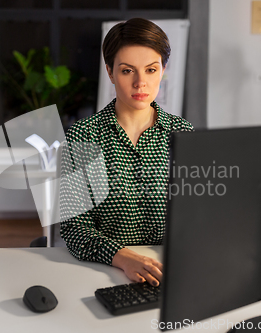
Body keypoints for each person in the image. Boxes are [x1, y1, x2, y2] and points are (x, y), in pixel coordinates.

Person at [59, 18, 193, 287]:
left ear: (163, 70)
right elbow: (74, 228)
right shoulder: (83, 136)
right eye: (127, 71)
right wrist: (122, 257)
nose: (140, 83)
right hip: (103, 272)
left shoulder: (183, 133)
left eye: (151, 70)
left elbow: (196, 215)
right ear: (110, 72)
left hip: (172, 272)